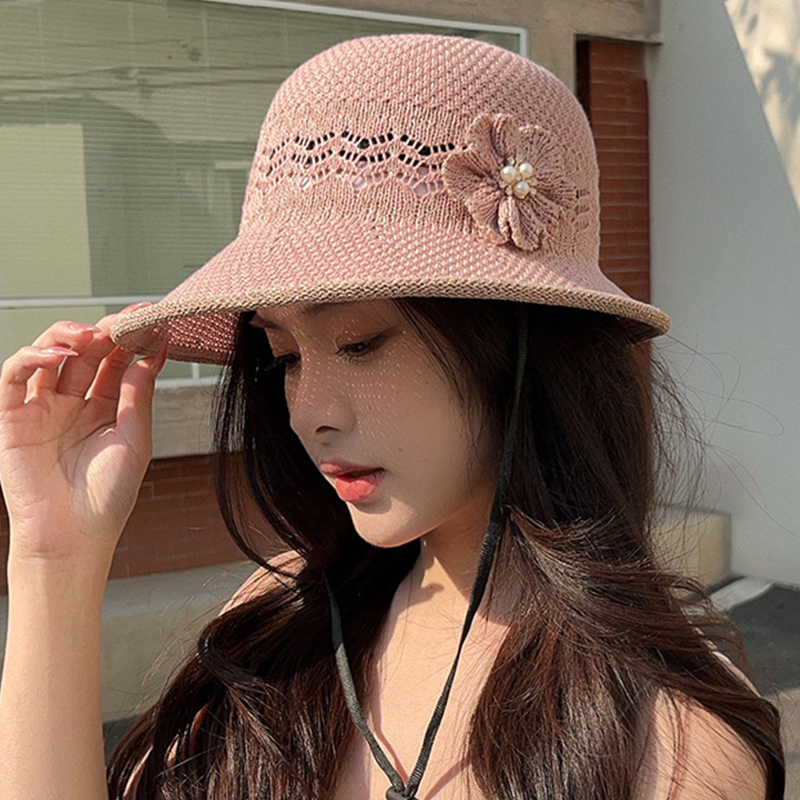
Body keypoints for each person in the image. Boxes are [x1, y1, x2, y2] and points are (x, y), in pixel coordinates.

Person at [0, 34, 784, 800]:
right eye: (283, 355)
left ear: (523, 346)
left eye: (359, 342)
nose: (310, 414)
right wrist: (52, 559)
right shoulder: (282, 617)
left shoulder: (668, 745)